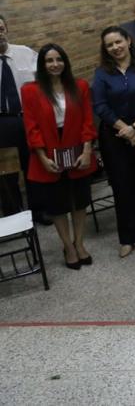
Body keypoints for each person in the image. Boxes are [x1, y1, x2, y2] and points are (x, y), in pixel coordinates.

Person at [20, 44, 96, 268]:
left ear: (65, 62)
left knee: (80, 200)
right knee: (57, 204)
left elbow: (87, 121)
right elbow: (31, 126)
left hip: (77, 148)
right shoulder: (30, 90)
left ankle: (79, 242)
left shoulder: (79, 86)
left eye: (58, 59)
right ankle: (68, 246)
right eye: (49, 61)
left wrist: (87, 150)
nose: (55, 65)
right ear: (42, 65)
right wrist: (42, 157)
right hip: (48, 151)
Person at [92, 26, 135, 258]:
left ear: (128, 41)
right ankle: (127, 236)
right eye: (110, 45)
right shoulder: (102, 73)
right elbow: (100, 106)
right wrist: (125, 129)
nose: (115, 48)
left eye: (118, 42)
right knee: (121, 186)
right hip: (114, 134)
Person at [0, 15, 36, 215]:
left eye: (0, 28)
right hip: (1, 122)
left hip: (28, 118)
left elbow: (43, 82)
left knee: (33, 164)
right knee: (6, 171)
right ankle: (14, 213)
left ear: (7, 28)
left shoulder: (26, 53)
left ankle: (40, 209)